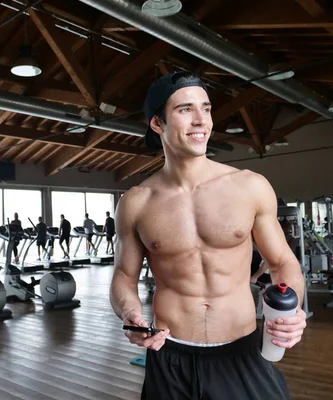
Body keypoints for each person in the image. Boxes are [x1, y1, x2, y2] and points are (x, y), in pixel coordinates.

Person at [111, 72, 306, 400]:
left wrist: (293, 308)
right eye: (185, 110)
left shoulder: (250, 187)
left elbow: (283, 261)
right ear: (157, 123)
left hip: (241, 350)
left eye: (206, 108)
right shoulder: (135, 202)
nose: (201, 120)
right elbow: (123, 276)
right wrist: (129, 313)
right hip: (169, 355)